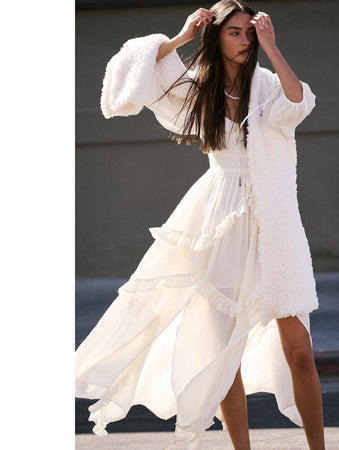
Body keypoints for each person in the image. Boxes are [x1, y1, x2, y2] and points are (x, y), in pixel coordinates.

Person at [76, 1, 325, 449]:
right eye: (235, 32)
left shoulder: (268, 85)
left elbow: (299, 103)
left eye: (249, 32)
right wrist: (180, 38)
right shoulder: (198, 87)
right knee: (220, 357)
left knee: (300, 353)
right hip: (218, 221)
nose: (245, 40)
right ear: (216, 37)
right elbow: (131, 74)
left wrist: (272, 47)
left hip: (274, 225)